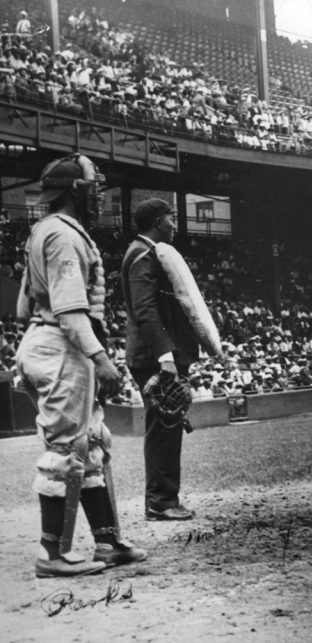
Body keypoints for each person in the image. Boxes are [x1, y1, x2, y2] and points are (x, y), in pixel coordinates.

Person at [16, 153, 147, 577]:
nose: (98, 190)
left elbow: (22, 307)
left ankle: (107, 541)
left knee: (90, 443)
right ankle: (51, 554)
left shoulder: (44, 229)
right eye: (93, 183)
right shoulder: (65, 236)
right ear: (76, 188)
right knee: (66, 450)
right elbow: (72, 313)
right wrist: (101, 358)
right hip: (63, 344)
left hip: (47, 338)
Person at [121, 199, 199, 521]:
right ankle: (161, 502)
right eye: (171, 218)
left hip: (158, 354)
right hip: (155, 357)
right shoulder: (143, 255)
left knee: (167, 425)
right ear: (157, 221)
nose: (174, 224)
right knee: (164, 426)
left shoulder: (148, 251)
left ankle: (163, 499)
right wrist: (166, 355)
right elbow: (145, 310)